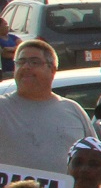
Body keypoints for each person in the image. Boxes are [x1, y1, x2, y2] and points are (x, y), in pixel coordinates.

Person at [0, 39, 94, 174]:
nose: (26, 67)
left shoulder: (72, 110)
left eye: (34, 62)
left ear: (52, 69)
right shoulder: (3, 107)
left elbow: (98, 161)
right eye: (21, 62)